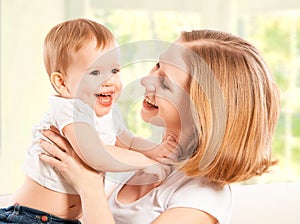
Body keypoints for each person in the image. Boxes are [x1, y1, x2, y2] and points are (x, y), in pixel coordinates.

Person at [36, 29, 280, 224]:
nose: (144, 79)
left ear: (201, 111)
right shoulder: (143, 159)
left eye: (164, 84)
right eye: (157, 65)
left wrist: (88, 185)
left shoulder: (202, 197)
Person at [0, 18, 175, 223]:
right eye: (95, 72)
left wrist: (157, 150)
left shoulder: (108, 112)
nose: (109, 81)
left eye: (115, 70)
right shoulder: (69, 109)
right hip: (30, 218)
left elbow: (127, 142)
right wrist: (147, 162)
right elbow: (94, 154)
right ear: (62, 82)